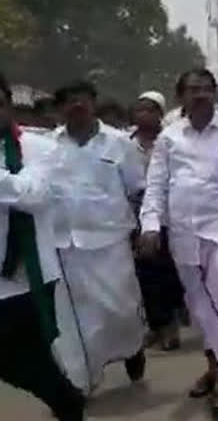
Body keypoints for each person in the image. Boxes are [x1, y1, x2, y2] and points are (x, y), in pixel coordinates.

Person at [139, 69, 218, 418]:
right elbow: (156, 185)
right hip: (185, 239)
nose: (200, 95)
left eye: (206, 89)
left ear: (216, 94)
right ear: (180, 96)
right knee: (202, 311)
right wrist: (150, 225)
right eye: (193, 90)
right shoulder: (169, 139)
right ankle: (215, 367)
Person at [49, 80, 146, 394]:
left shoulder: (120, 143)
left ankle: (132, 348)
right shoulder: (49, 145)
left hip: (111, 240)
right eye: (68, 100)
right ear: (60, 108)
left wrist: (143, 232)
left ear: (93, 102)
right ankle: (81, 379)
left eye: (82, 98)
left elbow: (137, 190)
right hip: (66, 243)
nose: (76, 105)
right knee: (75, 317)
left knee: (121, 308)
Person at [0, 73, 85, 421]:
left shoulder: (41, 148)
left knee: (27, 362)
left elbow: (33, 195)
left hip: (24, 278)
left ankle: (66, 400)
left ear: (8, 105)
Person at [130, 91, 184, 352]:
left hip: (171, 216)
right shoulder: (125, 143)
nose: (144, 115)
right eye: (139, 109)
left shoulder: (173, 140)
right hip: (136, 218)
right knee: (146, 275)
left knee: (169, 273)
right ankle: (157, 326)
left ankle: (171, 323)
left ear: (160, 114)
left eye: (150, 110)